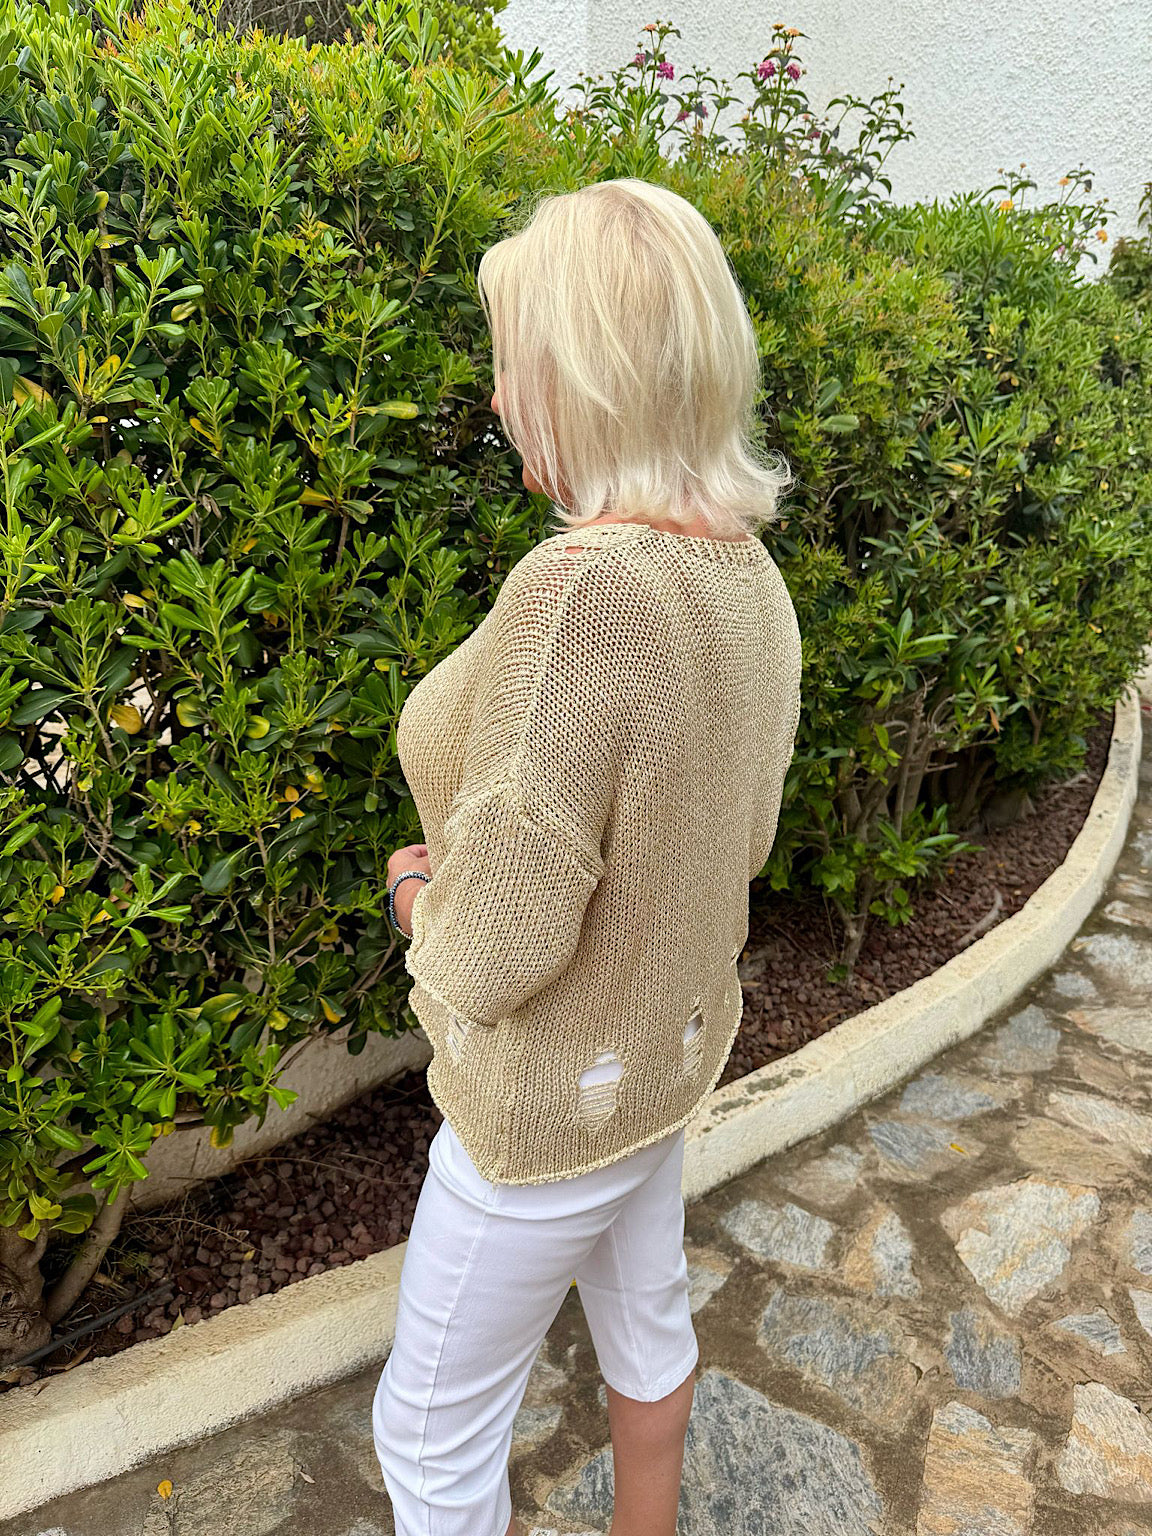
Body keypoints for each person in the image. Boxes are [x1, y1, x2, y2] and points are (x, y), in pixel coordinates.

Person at [372, 177, 803, 1536]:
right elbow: (745, 836)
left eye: (515, 363)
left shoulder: (582, 594)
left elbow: (500, 938)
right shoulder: (745, 573)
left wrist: (417, 899)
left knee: (428, 1433)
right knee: (647, 1323)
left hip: (546, 1108)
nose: (500, 396)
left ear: (585, 376)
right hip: (659, 1065)